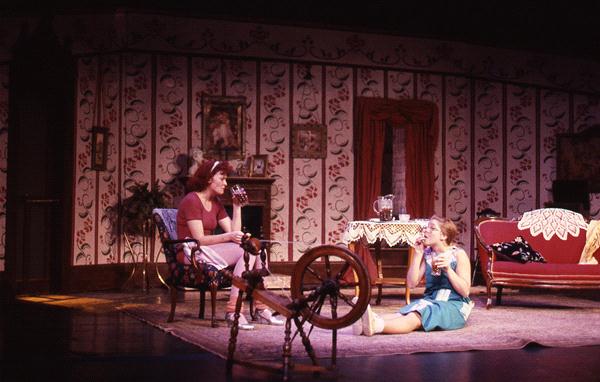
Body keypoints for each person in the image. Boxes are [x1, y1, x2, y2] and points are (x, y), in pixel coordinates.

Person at [177, 159, 283, 330]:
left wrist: (237, 207)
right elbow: (199, 239)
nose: (226, 183)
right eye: (222, 178)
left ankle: (261, 307)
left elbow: (234, 230)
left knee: (253, 248)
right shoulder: (192, 200)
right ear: (210, 178)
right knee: (245, 252)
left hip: (208, 249)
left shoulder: (216, 202)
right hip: (192, 251)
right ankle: (233, 311)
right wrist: (230, 237)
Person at [354, 215, 474, 336]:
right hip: (431, 301)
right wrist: (418, 254)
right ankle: (363, 321)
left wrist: (448, 270)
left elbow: (465, 292)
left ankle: (375, 326)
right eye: (426, 227)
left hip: (453, 304)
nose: (426, 230)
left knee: (414, 316)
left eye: (432, 228)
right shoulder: (428, 255)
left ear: (444, 236)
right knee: (401, 314)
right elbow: (411, 284)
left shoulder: (458, 254)